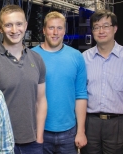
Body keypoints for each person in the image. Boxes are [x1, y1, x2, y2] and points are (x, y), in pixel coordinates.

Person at [81, 10, 123, 154]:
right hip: (90, 122)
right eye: (96, 27)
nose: (101, 31)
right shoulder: (84, 58)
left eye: (106, 26)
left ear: (115, 28)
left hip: (118, 122)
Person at [0, 4, 47, 154]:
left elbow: (41, 100)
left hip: (33, 142)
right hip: (2, 143)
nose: (14, 30)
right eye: (8, 25)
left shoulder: (37, 59)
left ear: (25, 26)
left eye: (19, 24)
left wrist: (39, 137)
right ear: (0, 28)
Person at [31, 11, 88, 153]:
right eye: (51, 28)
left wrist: (81, 131)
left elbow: (81, 95)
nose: (55, 32)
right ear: (44, 30)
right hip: (39, 130)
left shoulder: (76, 57)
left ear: (64, 31)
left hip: (69, 132)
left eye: (59, 28)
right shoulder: (31, 56)